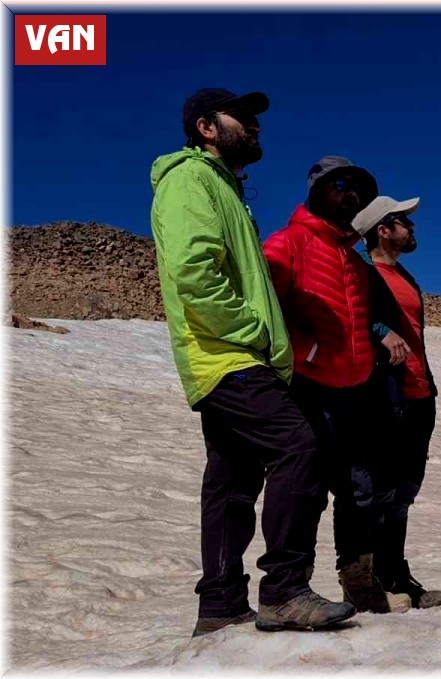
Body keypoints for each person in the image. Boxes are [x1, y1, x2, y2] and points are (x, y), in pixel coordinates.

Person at [149, 89, 355, 636]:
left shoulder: (223, 188)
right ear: (206, 127)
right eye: (242, 118)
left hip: (224, 355)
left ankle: (219, 604)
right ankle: (285, 590)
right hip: (228, 353)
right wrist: (258, 333)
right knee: (299, 449)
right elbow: (195, 272)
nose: (255, 127)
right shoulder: (190, 180)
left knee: (231, 481)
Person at [262, 156, 414, 615]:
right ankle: (289, 588)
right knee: (305, 487)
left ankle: (359, 583)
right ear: (315, 191)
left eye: (359, 189)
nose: (350, 194)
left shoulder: (351, 259)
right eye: (340, 185)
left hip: (355, 392)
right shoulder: (288, 243)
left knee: (359, 490)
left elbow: (361, 320)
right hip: (308, 387)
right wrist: (305, 350)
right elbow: (267, 307)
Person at [351, 196, 441, 609]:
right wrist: (378, 329)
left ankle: (396, 573)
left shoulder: (405, 276)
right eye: (403, 222)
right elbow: (352, 315)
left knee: (405, 488)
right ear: (382, 229)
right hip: (386, 392)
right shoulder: (362, 271)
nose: (412, 229)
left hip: (419, 392)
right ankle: (377, 580)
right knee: (383, 488)